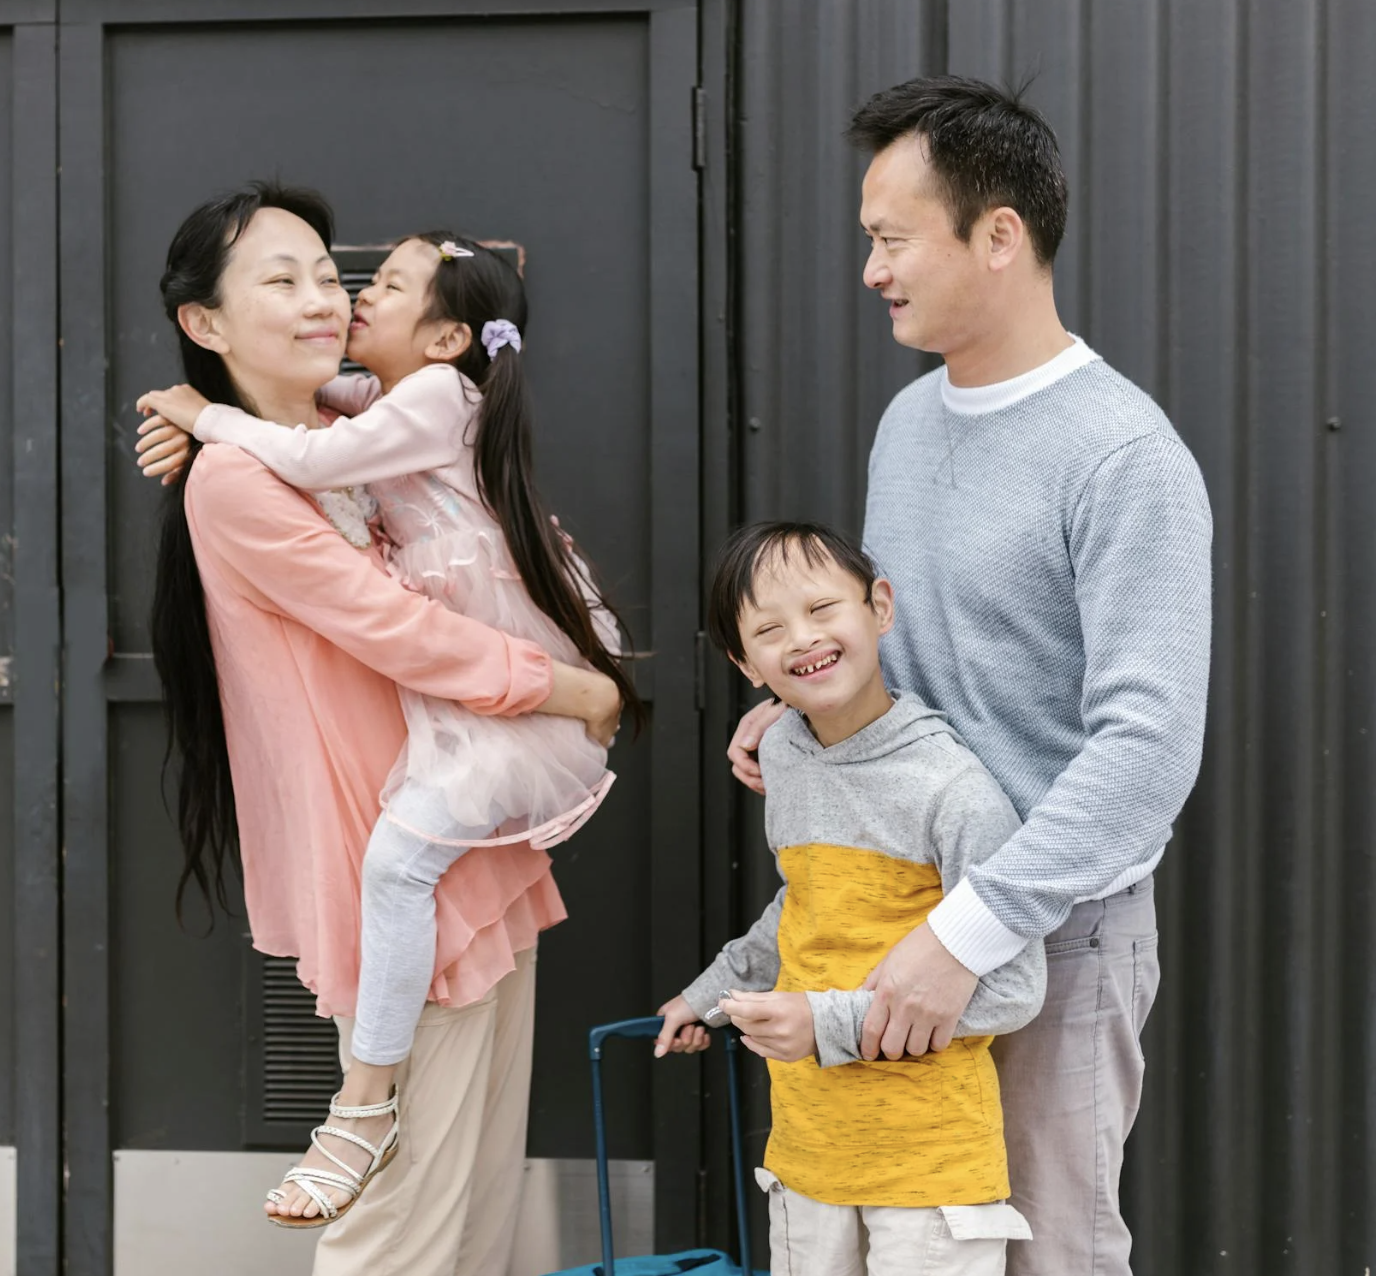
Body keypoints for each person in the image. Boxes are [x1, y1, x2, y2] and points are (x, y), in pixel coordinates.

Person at [726, 78, 1212, 1275]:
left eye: (890, 239)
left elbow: (1146, 750)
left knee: (1047, 1247)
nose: (870, 270)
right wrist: (798, 703)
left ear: (998, 235)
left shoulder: (1123, 456)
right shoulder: (907, 422)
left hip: (1048, 930)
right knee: (891, 1235)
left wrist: (968, 930)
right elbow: (918, 651)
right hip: (886, 915)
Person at [140, 182, 621, 1274]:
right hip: (400, 847)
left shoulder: (339, 424)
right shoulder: (240, 478)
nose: (324, 299)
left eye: (328, 274)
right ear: (204, 324)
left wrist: (194, 410)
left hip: (465, 833)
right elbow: (394, 628)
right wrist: (569, 688)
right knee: (405, 1227)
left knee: (472, 1195)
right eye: (282, 278)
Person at [658, 521, 1043, 1276]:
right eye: (769, 628)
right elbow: (803, 903)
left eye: (823, 609)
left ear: (880, 608)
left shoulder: (954, 789)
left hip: (930, 1172)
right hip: (808, 1155)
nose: (802, 639)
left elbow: (1014, 990)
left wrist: (823, 1023)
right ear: (744, 661)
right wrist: (709, 993)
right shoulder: (784, 752)